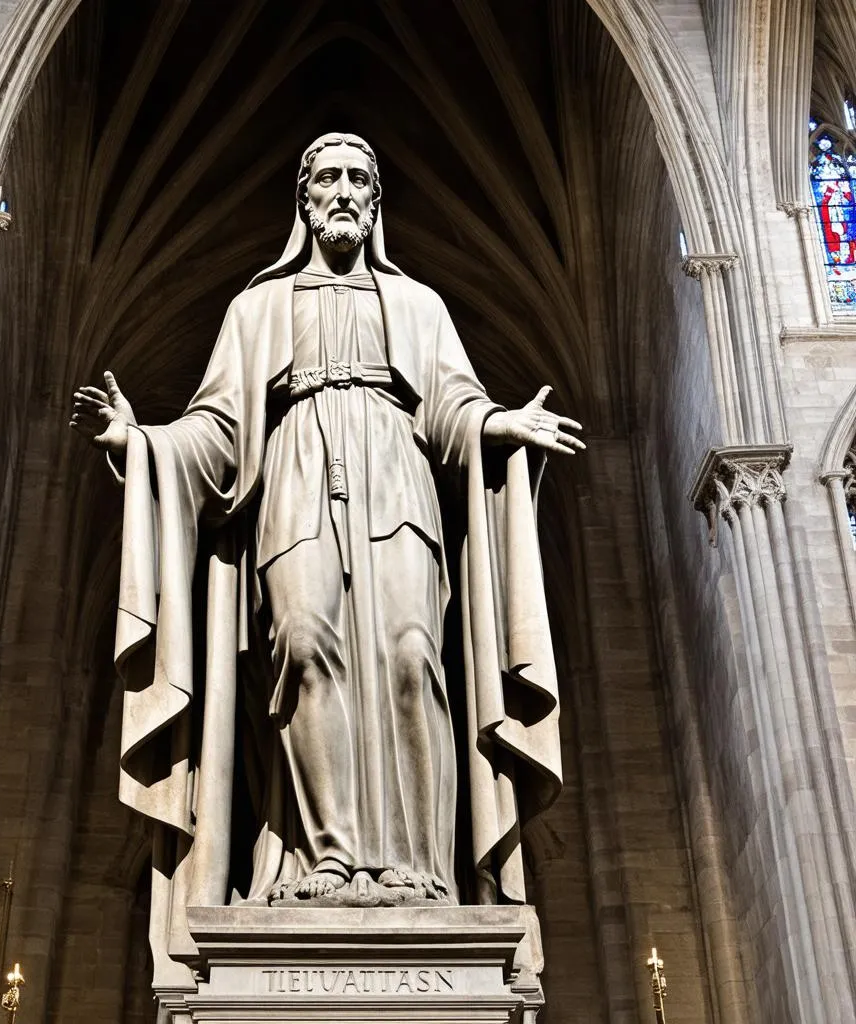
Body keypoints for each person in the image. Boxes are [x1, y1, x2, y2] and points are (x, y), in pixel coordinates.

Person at [70, 133, 583, 912]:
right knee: (304, 647)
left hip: (395, 481)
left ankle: (416, 868)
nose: (343, 190)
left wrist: (500, 426)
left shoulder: (418, 305)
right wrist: (139, 443)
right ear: (303, 197)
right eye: (328, 177)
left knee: (413, 657)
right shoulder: (259, 308)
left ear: (376, 201)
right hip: (296, 480)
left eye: (358, 179)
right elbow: (216, 429)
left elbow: (450, 405)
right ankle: (329, 859)